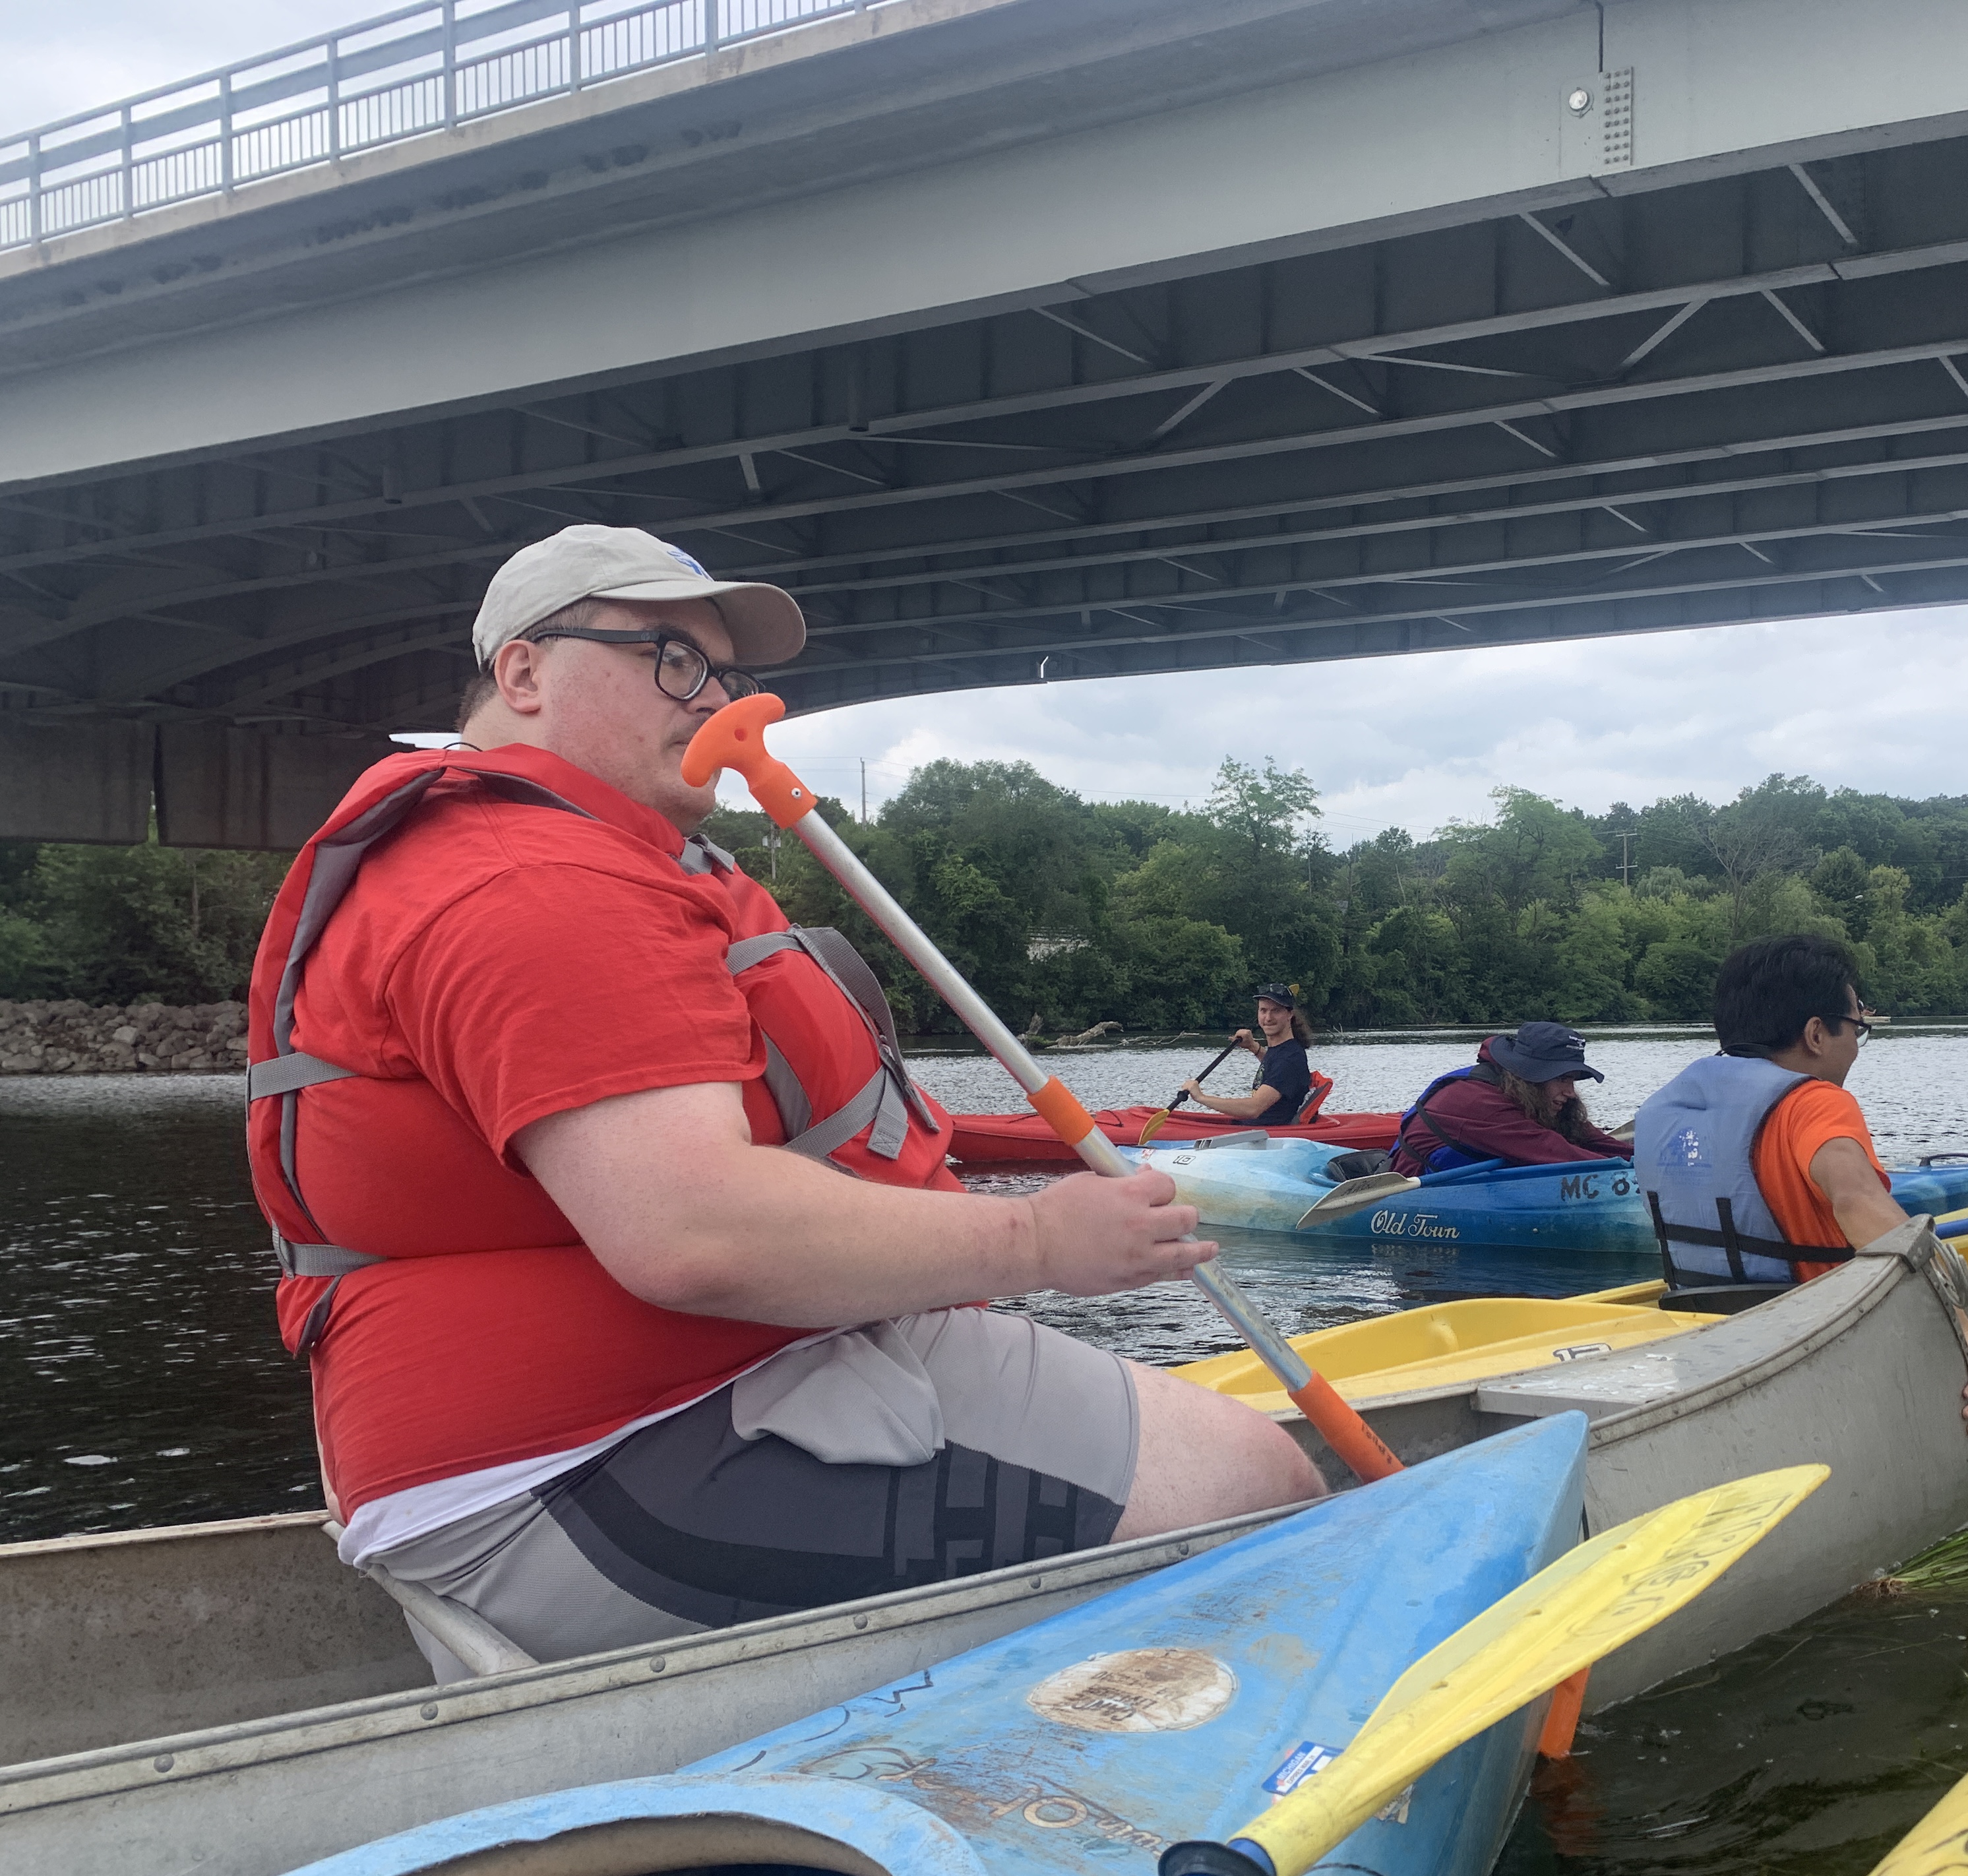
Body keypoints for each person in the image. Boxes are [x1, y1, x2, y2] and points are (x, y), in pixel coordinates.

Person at [244, 523, 1322, 1681]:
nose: (711, 697)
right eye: (669, 656)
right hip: (580, 1466)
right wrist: (1038, 1238)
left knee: (1236, 1468)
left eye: (727, 675)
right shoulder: (529, 881)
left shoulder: (590, 859)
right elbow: (694, 1230)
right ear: (523, 671)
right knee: (1246, 1490)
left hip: (697, 1391)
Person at [1636, 935, 1968, 1449]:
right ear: (1816, 1033)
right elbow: (1856, 1201)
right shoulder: (1816, 1104)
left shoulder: (1662, 1110)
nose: (1857, 1042)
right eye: (1857, 1026)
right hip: (1820, 1345)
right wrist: (1964, 1330)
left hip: (1708, 1343)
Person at [1390, 1020, 1634, 1173]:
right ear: (1530, 1075)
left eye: (1572, 1080)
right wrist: (1635, 1172)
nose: (1570, 1092)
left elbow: (1593, 1142)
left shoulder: (1530, 1094)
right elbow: (1556, 1152)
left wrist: (1647, 1161)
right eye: (1561, 1079)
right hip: (1415, 1190)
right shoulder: (1477, 1101)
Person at [1183, 982, 1317, 1127]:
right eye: (1263, 1011)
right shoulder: (1283, 1050)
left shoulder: (1290, 1058)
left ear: (1289, 1014)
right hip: (1255, 1128)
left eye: (1276, 1011)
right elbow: (1275, 1069)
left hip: (1265, 1135)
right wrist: (1253, 1047)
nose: (1268, 1018)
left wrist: (1201, 1097)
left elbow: (1253, 1108)